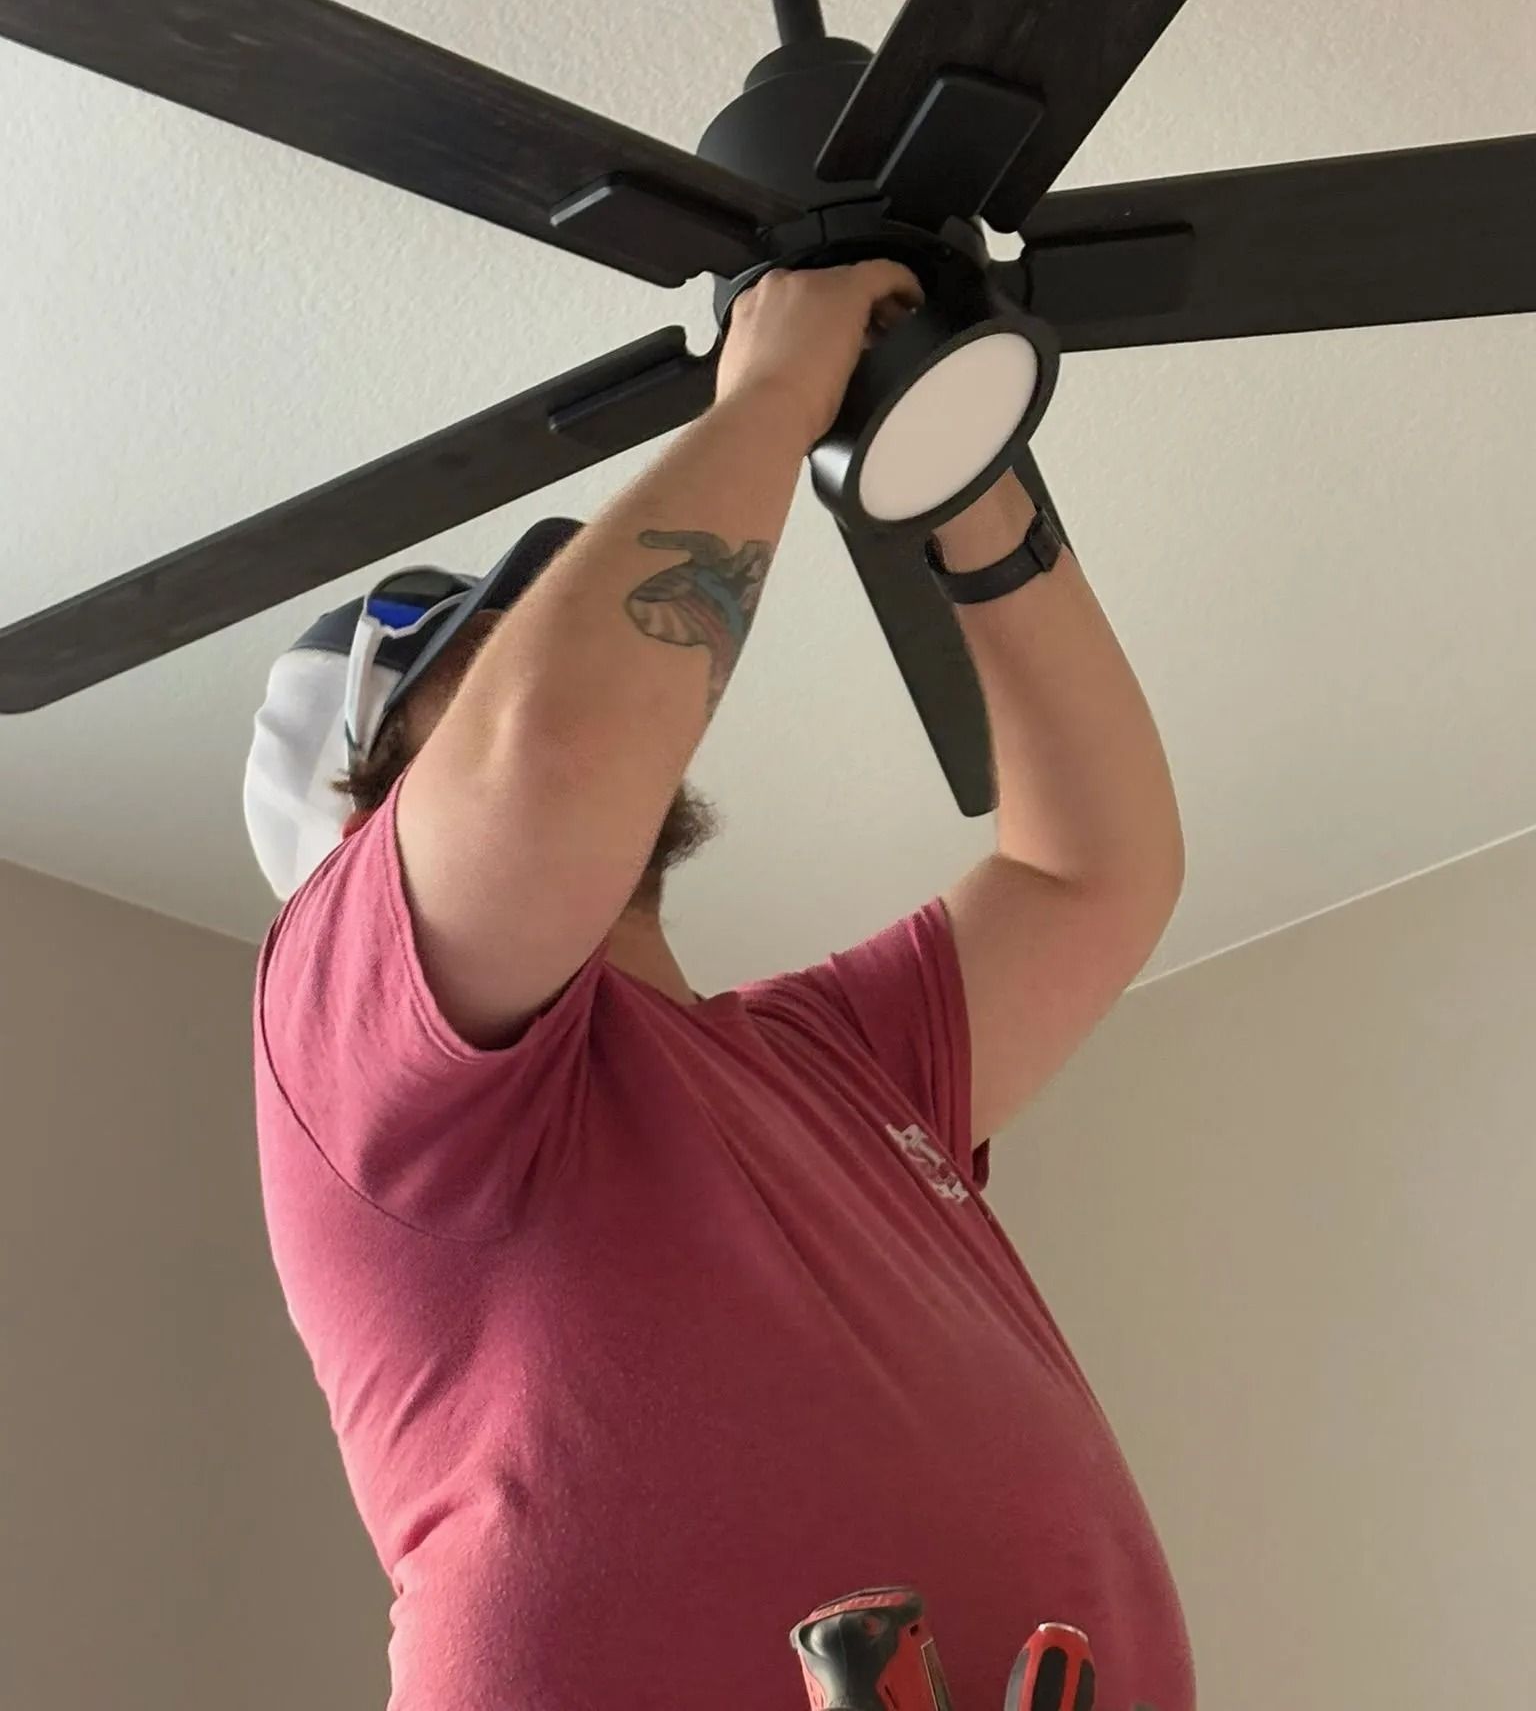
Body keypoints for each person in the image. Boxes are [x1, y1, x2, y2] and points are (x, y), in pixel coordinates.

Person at [242, 260, 1193, 1711]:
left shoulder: (835, 1059)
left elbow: (1098, 873)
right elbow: (548, 751)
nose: (564, 631)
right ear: (365, 814)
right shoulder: (345, 1031)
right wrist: (774, 387)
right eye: (486, 657)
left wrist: (964, 475)